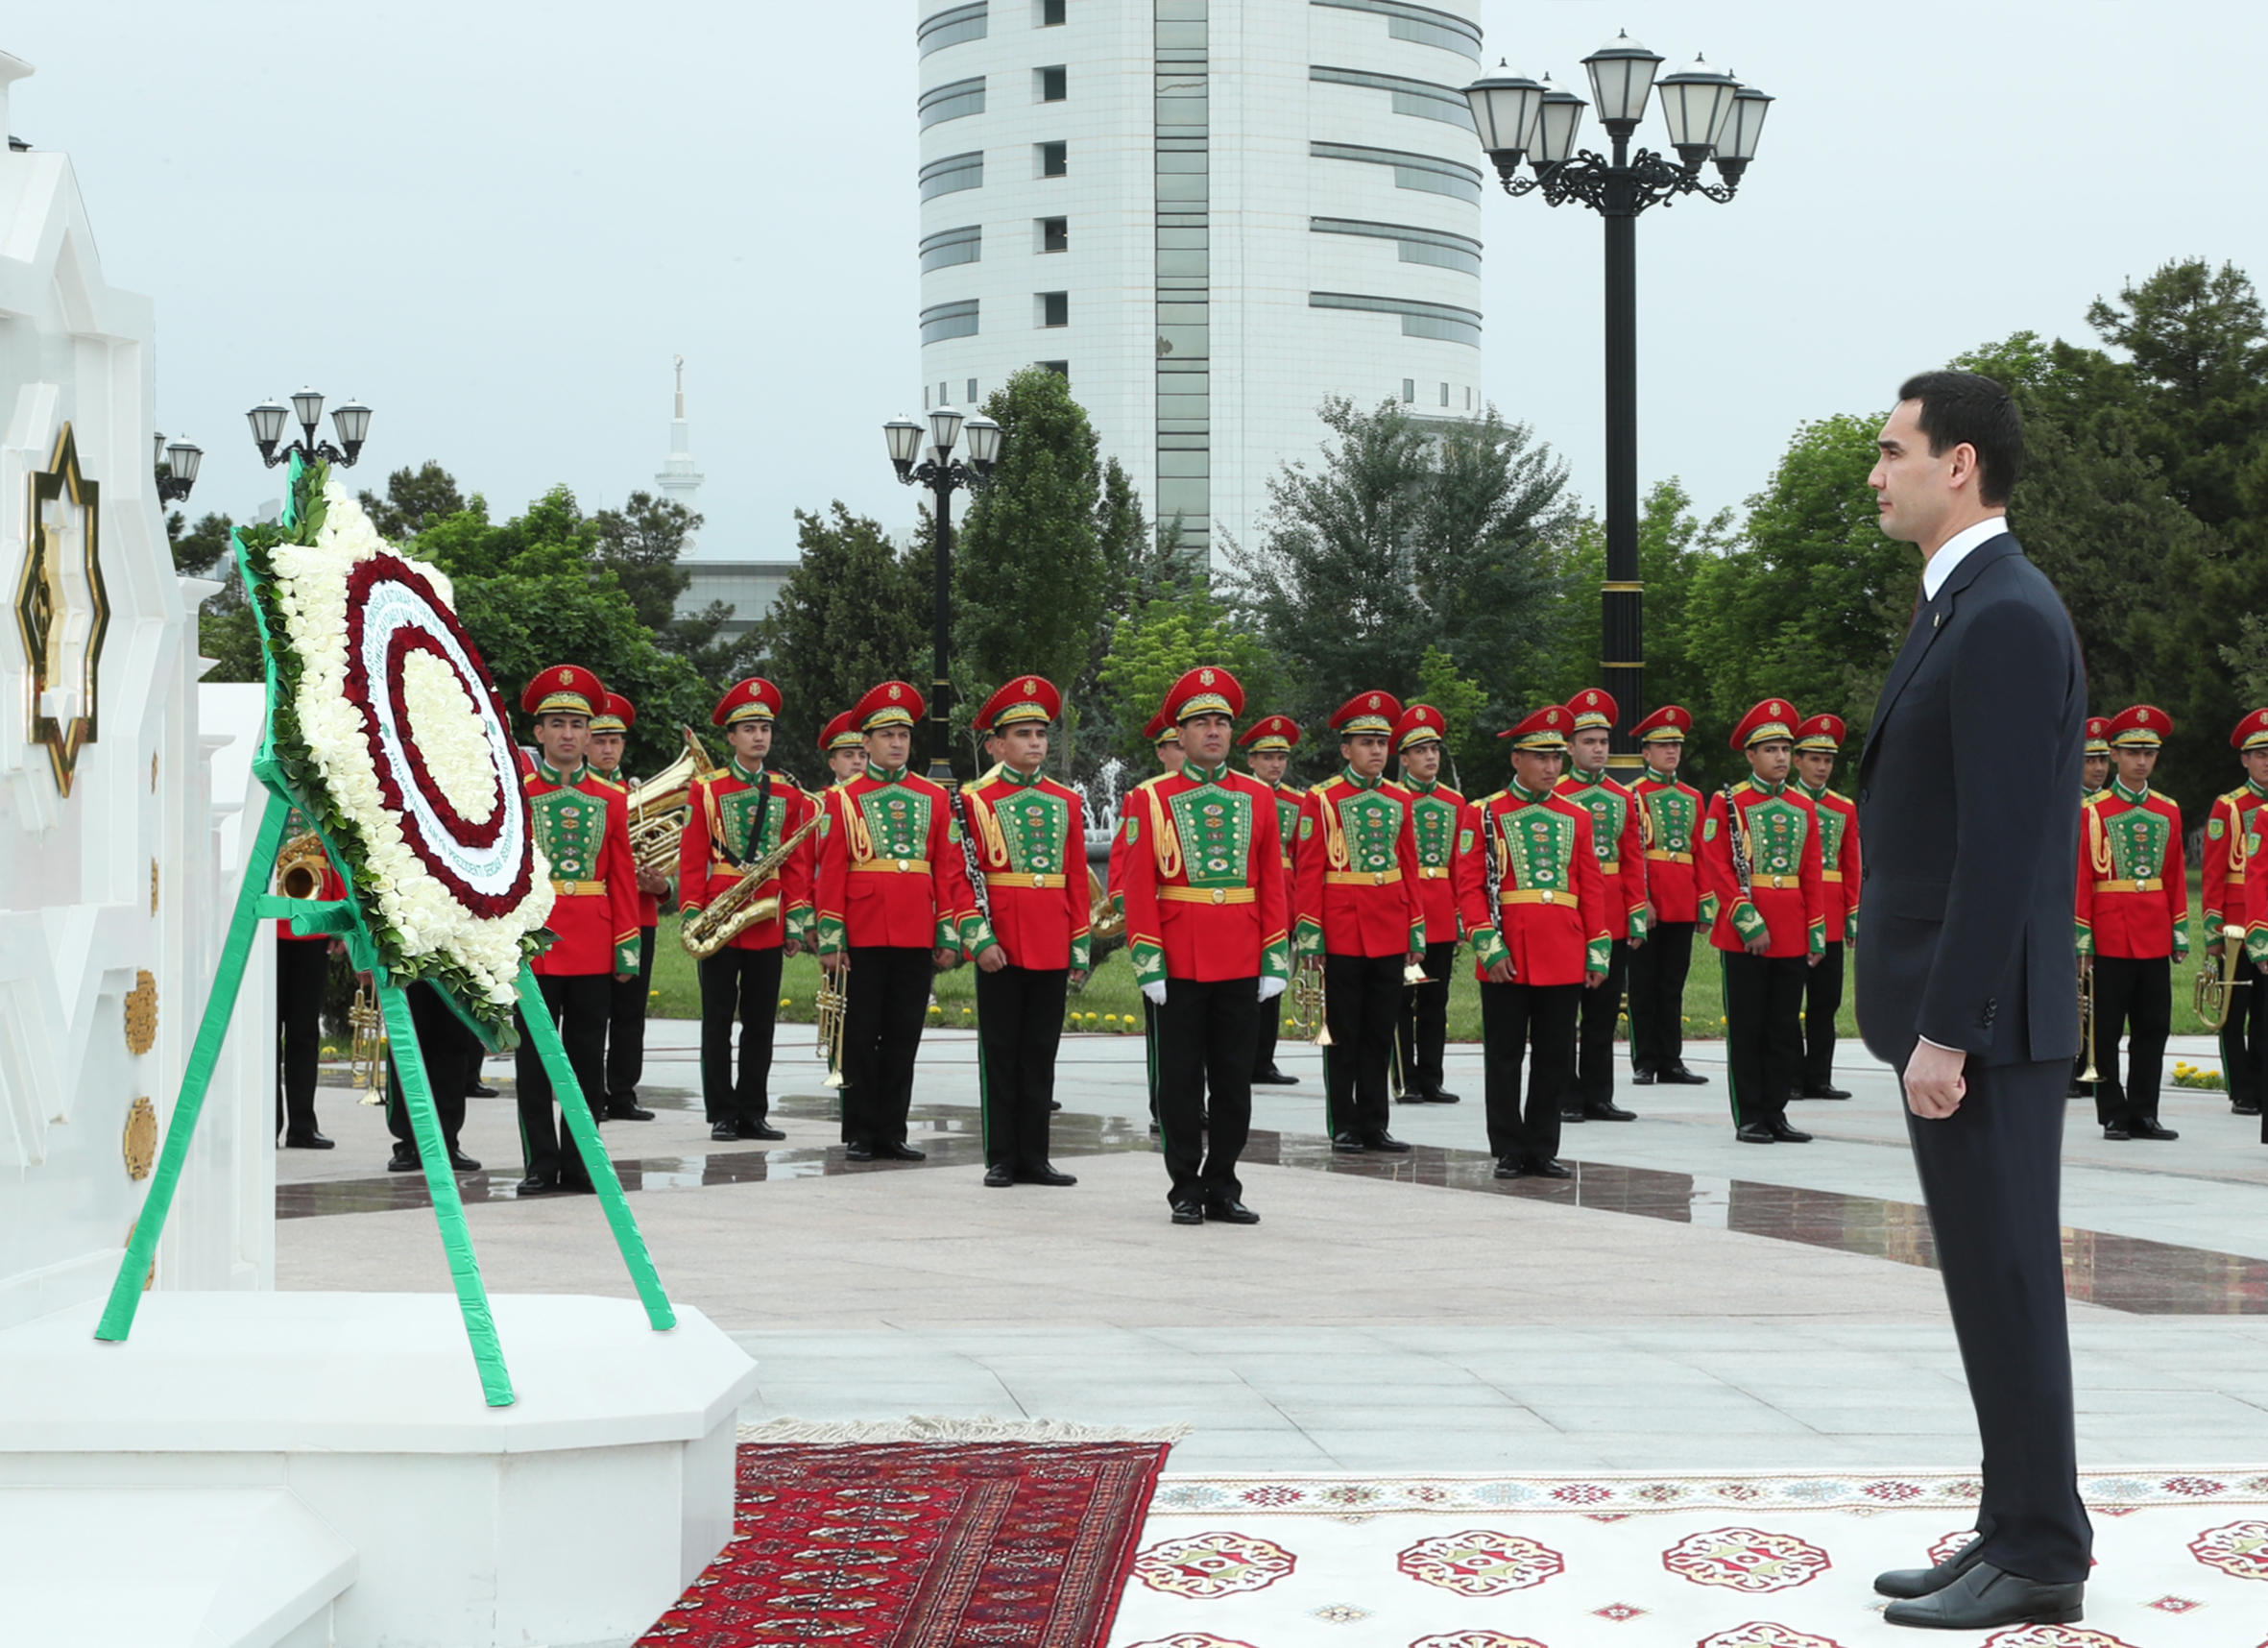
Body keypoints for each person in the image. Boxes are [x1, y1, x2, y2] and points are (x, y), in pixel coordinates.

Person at [1859, 368, 2090, 1630]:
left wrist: (1945, 1027)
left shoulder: (2000, 612)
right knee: (1983, 1283)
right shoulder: (1962, 605)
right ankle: (2010, 1527)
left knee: (2005, 1281)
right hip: (1964, 1019)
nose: (1875, 473)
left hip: (1981, 1028)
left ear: (1957, 464)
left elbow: (2001, 846)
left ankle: (2042, 1551)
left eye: (1892, 451)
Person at [1118, 666, 1291, 1224]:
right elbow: (1138, 884)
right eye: (1201, 724)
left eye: (1221, 722)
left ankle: (1223, 1183)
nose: (1213, 732)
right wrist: (1149, 960)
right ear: (1181, 735)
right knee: (1180, 1083)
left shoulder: (1259, 796)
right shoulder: (1151, 797)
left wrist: (1274, 955)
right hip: (1180, 957)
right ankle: (1185, 1186)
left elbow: (1272, 880)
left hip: (1241, 955)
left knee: (1235, 1081)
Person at [811, 680, 971, 1162]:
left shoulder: (934, 797)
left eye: (903, 734)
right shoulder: (841, 799)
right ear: (866, 743)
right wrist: (830, 937)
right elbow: (831, 871)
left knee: (904, 1034)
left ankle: (893, 1130)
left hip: (915, 929)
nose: (897, 742)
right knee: (859, 1034)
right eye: (887, 735)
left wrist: (947, 932)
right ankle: (860, 1130)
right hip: (861, 930)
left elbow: (946, 870)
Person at [1454, 705, 1607, 1180]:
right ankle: (1507, 1146)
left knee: (1554, 1054)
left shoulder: (1576, 816)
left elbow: (1590, 885)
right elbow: (1468, 885)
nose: (1551, 768)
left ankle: (1542, 1146)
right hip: (1508, 951)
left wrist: (1597, 948)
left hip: (1563, 948)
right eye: (1541, 758)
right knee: (1503, 1055)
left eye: (1557, 759)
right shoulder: (1483, 813)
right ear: (1517, 759)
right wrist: (1487, 944)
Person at [514, 666, 642, 1197]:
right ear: (539, 733)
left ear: (590, 736)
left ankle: (582, 1161)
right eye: (557, 723)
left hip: (592, 942)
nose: (568, 734)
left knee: (588, 1060)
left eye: (577, 724)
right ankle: (541, 1164)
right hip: (536, 944)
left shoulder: (612, 800)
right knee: (535, 1062)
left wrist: (628, 943)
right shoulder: (516, 794)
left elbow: (622, 876)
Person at [960, 676, 1090, 1187]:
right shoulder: (973, 799)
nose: (1035, 742)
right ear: (996, 744)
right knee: (1001, 1052)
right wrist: (978, 938)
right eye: (1022, 734)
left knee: (1040, 1054)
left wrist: (1078, 944)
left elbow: (1077, 878)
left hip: (1051, 940)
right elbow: (957, 877)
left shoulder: (1066, 800)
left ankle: (1036, 1156)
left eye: (1040, 733)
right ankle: (1000, 1155)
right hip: (1002, 942)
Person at [679, 677, 815, 1144]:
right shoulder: (707, 788)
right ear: (731, 737)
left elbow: (796, 863)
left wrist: (797, 920)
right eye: (749, 728)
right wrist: (694, 913)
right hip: (720, 914)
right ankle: (721, 1111)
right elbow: (694, 854)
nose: (759, 736)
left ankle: (753, 1111)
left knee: (761, 1020)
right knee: (717, 1019)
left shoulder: (787, 792)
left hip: (767, 916)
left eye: (765, 728)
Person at [1294, 691, 1425, 1154]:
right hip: (1343, 928)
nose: (1376, 752)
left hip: (1389, 925)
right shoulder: (1322, 799)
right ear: (1345, 749)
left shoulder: (1400, 799)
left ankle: (1375, 1122)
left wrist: (1416, 929)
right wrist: (1310, 934)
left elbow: (1408, 866)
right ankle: (1343, 1123)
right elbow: (1309, 871)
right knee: (1342, 1032)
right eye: (1366, 742)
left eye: (1382, 743)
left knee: (1379, 1029)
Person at [1700, 699, 1825, 1146]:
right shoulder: (1729, 802)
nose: (1780, 758)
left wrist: (1816, 929)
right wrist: (1745, 918)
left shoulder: (1802, 805)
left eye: (1785, 750)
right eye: (1769, 749)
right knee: (1748, 1027)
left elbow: (1811, 870)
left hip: (1791, 928)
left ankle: (1775, 1111)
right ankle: (1749, 1113)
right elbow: (1717, 866)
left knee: (1782, 1027)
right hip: (1745, 933)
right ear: (1750, 755)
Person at [2076, 704, 2187, 1143]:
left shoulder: (2168, 810)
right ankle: (2113, 1113)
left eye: (2149, 752)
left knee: (2152, 1029)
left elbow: (2175, 874)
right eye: (2132, 752)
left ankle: (2145, 1112)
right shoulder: (2092, 811)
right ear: (2116, 756)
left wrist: (2179, 929)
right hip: (2109, 933)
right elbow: (2081, 876)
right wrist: (2081, 938)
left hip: (2155, 932)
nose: (2142, 761)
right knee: (2105, 1032)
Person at [1556, 690, 1647, 1124]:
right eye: (1588, 741)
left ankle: (1598, 1094)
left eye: (1603, 742)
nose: (1597, 749)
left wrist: (1636, 914)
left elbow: (1633, 860)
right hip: (1567, 916)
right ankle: (1565, 1094)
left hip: (1610, 917)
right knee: (1562, 1011)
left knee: (1604, 1011)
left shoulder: (1622, 796)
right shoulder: (1555, 794)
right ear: (1569, 747)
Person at [1115, 710, 1196, 1132]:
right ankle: (1163, 1106)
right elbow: (1123, 859)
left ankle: (1194, 1106)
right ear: (1163, 751)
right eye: (1177, 747)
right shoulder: (1142, 797)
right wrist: (1124, 905)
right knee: (1165, 1034)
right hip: (1165, 924)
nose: (1184, 754)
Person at [584, 691, 664, 1122]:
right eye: (600, 740)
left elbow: (669, 855)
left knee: (631, 1010)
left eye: (615, 741)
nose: (609, 749)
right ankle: (590, 1090)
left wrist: (661, 883)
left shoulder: (642, 795)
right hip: (596, 915)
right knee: (591, 1012)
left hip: (639, 914)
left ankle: (623, 1091)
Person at [1626, 705, 1708, 1088]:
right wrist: (1642, 899)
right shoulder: (1633, 795)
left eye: (1675, 745)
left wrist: (1704, 903)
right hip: (1651, 898)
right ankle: (1645, 1060)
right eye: (1663, 745)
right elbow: (1633, 852)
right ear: (1646, 753)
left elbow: (1700, 851)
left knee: (1673, 983)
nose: (1671, 752)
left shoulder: (1692, 796)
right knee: (1643, 983)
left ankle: (1672, 1059)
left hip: (1682, 897)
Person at [1392, 704, 1464, 1104]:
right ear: (1404, 759)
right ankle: (1405, 1080)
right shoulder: (1392, 799)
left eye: (1434, 749)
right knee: (1402, 1000)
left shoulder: (1455, 803)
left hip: (1440, 912)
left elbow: (1459, 865)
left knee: (1436, 999)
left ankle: (1432, 1078)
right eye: (1421, 751)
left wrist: (1458, 918)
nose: (1431, 757)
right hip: (1404, 910)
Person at [2202, 708, 2268, 1119]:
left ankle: (2261, 1083)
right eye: (2260, 753)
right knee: (2234, 1011)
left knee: (2264, 1012)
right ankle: (2240, 1088)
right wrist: (2214, 933)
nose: (2267, 761)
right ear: (2244, 760)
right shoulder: (2229, 806)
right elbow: (2212, 873)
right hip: (2237, 925)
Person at [1792, 713, 1862, 1102]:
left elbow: (1851, 865)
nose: (1822, 767)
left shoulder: (1843, 808)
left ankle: (1819, 1076)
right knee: (1788, 1001)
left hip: (1831, 917)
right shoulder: (1785, 802)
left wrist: (1853, 918)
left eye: (1828, 760)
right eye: (1814, 759)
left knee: (1825, 1002)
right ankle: (1791, 1075)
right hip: (1794, 914)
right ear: (1798, 761)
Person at [1240, 714, 1306, 1087]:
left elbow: (1303, 856)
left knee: (1274, 978)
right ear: (1251, 760)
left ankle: (1264, 1060)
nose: (1275, 764)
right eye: (1267, 757)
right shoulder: (1239, 796)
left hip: (1284, 900)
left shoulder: (1298, 801)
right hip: (1248, 896)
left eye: (1281, 757)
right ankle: (1242, 1057)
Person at [274, 814, 344, 1150]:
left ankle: (302, 1125)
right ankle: (266, 1122)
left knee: (304, 1033)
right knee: (267, 1035)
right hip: (268, 928)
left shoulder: (319, 796)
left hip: (313, 924)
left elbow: (335, 855)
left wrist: (338, 923)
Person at [382, 981, 482, 1174]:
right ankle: (408, 1142)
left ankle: (446, 1140)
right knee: (407, 1046)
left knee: (453, 1044)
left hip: (453, 958)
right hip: (406, 961)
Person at [821, 712, 869, 788]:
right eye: (848, 755)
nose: (857, 761)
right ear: (833, 764)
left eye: (862, 756)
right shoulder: (823, 799)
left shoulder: (882, 797)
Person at [2082, 716, 2111, 802]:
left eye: (2103, 760)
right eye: (2090, 761)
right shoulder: (2065, 803)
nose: (2099, 768)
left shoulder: (2113, 802)